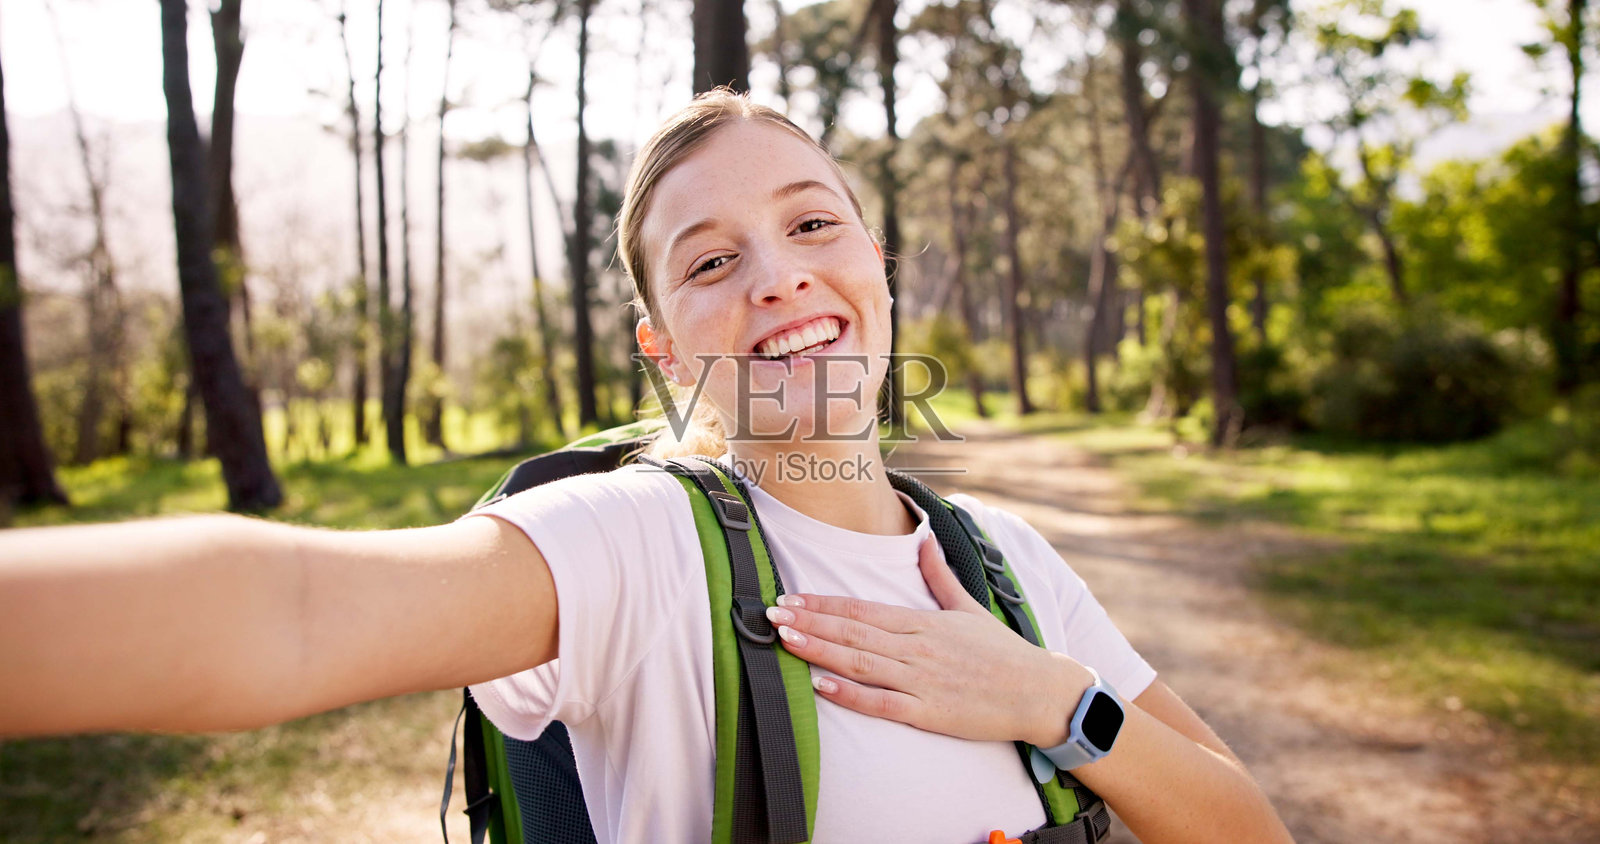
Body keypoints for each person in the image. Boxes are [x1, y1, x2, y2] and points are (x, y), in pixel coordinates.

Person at [0, 89, 1292, 844]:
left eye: (808, 222)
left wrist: (1056, 705)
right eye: (712, 258)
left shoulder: (1011, 566)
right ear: (666, 349)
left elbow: (1248, 830)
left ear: (876, 266)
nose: (780, 273)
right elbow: (286, 611)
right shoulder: (635, 546)